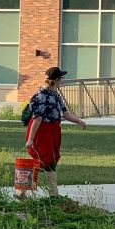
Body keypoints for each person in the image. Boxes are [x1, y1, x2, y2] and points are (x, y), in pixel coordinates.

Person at [23, 66, 87, 197]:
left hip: (53, 130)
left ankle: (24, 190)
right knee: (46, 160)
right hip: (42, 131)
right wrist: (30, 139)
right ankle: (51, 193)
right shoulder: (40, 96)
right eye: (61, 79)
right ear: (55, 80)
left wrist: (78, 121)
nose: (62, 81)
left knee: (47, 160)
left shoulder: (55, 95)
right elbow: (37, 118)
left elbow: (65, 113)